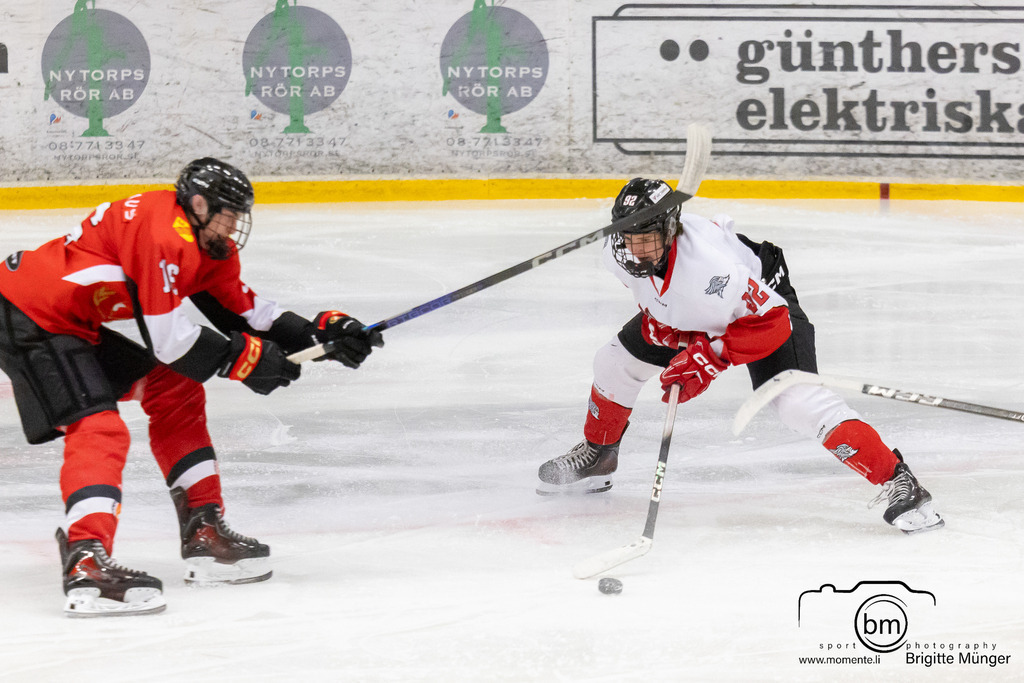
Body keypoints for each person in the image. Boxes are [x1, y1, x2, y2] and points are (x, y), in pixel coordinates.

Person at [0, 158, 384, 617]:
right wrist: (243, 361)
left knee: (177, 388)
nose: (236, 223)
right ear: (198, 204)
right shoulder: (162, 234)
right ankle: (86, 560)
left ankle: (203, 529)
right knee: (100, 428)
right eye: (229, 211)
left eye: (240, 213)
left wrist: (322, 334)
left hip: (72, 320)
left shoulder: (209, 243)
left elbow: (244, 311)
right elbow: (168, 339)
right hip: (28, 314)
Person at [536, 177, 943, 535]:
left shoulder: (711, 268)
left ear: (671, 230)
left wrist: (709, 357)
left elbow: (773, 322)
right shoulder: (620, 252)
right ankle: (600, 454)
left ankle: (901, 483)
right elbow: (653, 293)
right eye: (630, 239)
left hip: (761, 311)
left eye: (648, 240)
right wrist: (669, 327)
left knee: (799, 404)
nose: (637, 251)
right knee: (614, 363)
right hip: (699, 310)